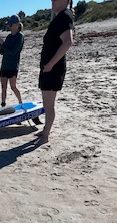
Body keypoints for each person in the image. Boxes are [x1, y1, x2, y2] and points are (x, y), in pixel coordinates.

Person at [36, 0, 74, 144]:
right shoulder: (59, 17)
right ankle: (45, 129)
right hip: (49, 68)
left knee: (49, 105)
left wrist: (51, 64)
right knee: (47, 104)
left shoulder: (65, 16)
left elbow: (68, 42)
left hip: (53, 68)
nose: (52, 1)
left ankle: (45, 136)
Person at [0, 14, 24, 107]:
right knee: (3, 87)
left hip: (12, 66)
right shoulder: (9, 37)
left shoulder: (20, 36)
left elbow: (13, 52)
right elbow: (2, 52)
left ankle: (21, 103)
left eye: (11, 24)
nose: (9, 26)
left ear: (16, 25)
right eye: (9, 25)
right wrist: (0, 43)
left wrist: (3, 44)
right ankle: (3, 105)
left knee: (13, 86)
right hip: (4, 65)